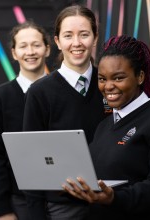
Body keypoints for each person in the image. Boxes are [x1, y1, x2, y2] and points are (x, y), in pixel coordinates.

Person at [63, 35, 150, 220]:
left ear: (140, 76)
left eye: (118, 78)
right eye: (102, 79)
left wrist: (114, 198)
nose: (108, 86)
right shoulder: (104, 125)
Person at [22, 5, 108, 220]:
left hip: (110, 201)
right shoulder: (40, 92)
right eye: (68, 35)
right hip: (62, 207)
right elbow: (31, 159)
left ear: (95, 38)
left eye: (84, 34)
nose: (77, 43)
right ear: (58, 41)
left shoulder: (110, 85)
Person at [0, 21, 51, 220]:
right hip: (19, 200)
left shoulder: (61, 90)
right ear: (14, 53)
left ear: (47, 49)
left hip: (63, 197)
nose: (30, 51)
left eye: (36, 45)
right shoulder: (0, 97)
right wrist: (3, 209)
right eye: (23, 46)